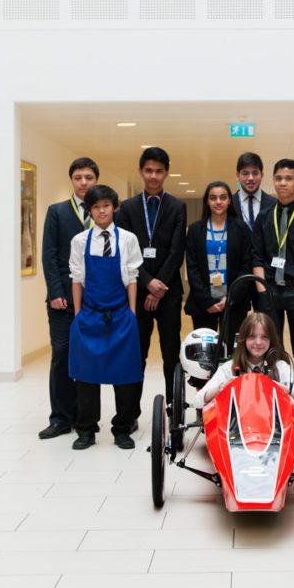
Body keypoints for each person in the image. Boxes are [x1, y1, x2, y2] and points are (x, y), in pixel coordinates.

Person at [66, 184, 144, 450]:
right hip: (89, 315)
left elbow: (132, 278)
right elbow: (77, 279)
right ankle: (86, 430)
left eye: (106, 206)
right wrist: (78, 315)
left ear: (114, 208)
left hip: (121, 315)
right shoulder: (79, 241)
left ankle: (122, 428)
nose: (102, 211)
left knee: (125, 376)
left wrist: (132, 312)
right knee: (86, 377)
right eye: (96, 207)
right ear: (90, 210)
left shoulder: (127, 239)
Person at [115, 146, 187, 404]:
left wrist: (159, 286)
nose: (153, 176)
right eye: (148, 171)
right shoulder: (127, 208)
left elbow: (177, 251)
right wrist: (148, 282)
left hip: (168, 292)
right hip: (137, 290)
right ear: (140, 171)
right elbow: (125, 253)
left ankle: (173, 409)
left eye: (159, 171)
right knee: (136, 353)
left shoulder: (177, 206)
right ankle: (130, 412)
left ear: (167, 172)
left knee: (171, 354)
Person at [36, 157, 99, 439]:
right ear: (71, 180)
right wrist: (56, 292)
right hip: (62, 301)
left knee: (89, 359)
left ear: (96, 179)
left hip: (96, 301)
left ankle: (86, 418)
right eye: (78, 177)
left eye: (88, 177)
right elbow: (49, 255)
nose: (83, 182)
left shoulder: (104, 211)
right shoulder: (58, 211)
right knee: (61, 355)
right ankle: (61, 417)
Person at [249, 158, 294, 381]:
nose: (283, 183)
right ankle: (274, 397)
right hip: (269, 291)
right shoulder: (264, 216)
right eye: (279, 178)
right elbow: (256, 254)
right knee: (270, 350)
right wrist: (262, 289)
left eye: (289, 178)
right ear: (273, 180)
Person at [184, 181, 256, 348]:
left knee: (231, 352)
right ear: (207, 201)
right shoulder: (195, 230)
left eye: (223, 197)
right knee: (204, 352)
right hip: (203, 304)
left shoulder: (241, 228)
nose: (218, 202)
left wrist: (230, 297)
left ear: (230, 200)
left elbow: (246, 266)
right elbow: (192, 268)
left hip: (234, 303)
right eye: (213, 198)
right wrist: (207, 301)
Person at [197, 311, 294, 410]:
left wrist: (286, 390)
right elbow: (197, 401)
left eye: (264, 337)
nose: (258, 342)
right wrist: (221, 388)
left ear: (271, 340)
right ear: (243, 339)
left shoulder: (280, 367)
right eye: (252, 337)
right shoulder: (229, 367)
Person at [228, 152, 276, 319]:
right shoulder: (228, 204)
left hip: (265, 277)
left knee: (267, 329)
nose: (250, 178)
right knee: (235, 331)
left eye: (255, 173)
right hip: (236, 276)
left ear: (262, 175)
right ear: (237, 175)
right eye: (245, 173)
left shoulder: (273, 205)